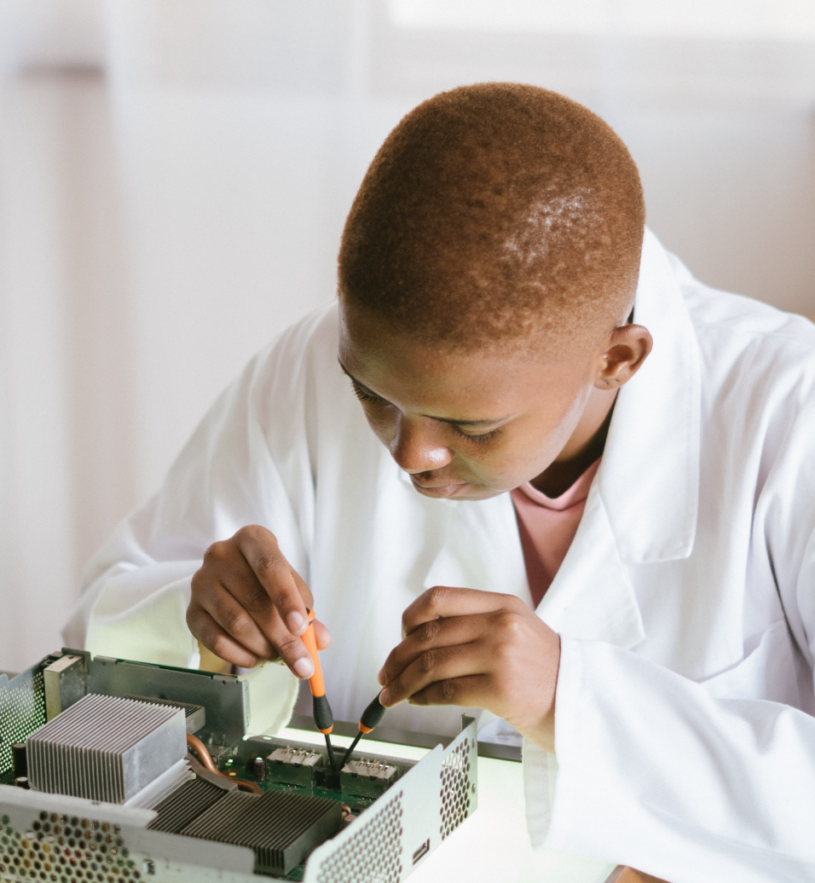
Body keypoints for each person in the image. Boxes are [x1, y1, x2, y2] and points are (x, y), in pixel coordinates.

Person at [64, 84, 815, 881]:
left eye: (472, 426)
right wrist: (193, 613)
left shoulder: (785, 413)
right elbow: (92, 632)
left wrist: (573, 697)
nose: (410, 453)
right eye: (371, 397)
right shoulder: (307, 366)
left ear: (617, 359)